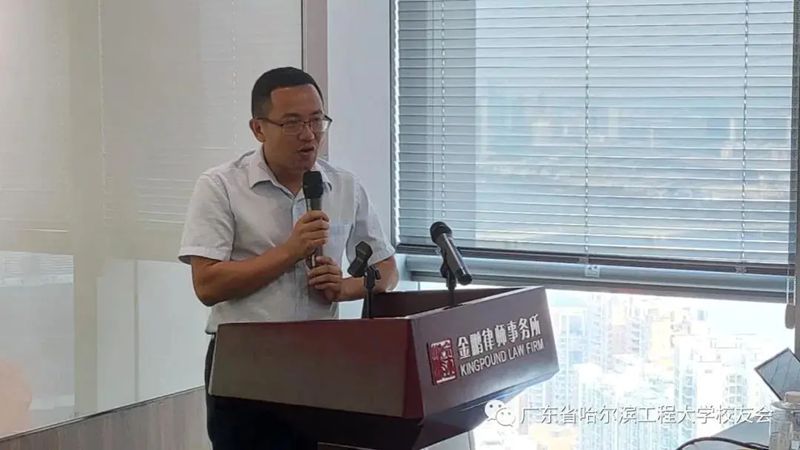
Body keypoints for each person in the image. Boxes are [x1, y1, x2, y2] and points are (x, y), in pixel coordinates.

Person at [178, 66, 399, 450]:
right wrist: (289, 252)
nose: (309, 134)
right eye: (292, 123)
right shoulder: (221, 186)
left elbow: (387, 270)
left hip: (321, 361)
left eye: (317, 120)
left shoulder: (343, 185)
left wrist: (343, 288)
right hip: (245, 365)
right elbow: (207, 284)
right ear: (258, 129)